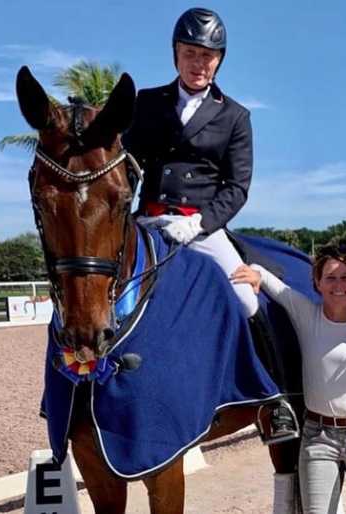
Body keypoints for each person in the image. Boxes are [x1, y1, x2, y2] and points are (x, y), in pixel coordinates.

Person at [122, 7, 297, 443]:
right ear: (176, 55)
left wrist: (200, 224)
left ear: (219, 60)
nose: (198, 63)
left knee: (244, 298)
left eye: (207, 56)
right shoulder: (145, 104)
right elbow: (124, 163)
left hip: (199, 225)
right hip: (147, 221)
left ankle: (273, 398)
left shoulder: (234, 116)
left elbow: (237, 187)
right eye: (190, 53)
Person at [231, 244, 346, 514]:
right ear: (317, 282)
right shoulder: (306, 314)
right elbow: (271, 282)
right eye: (330, 277)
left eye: (345, 277)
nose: (338, 285)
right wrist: (256, 274)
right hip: (319, 437)